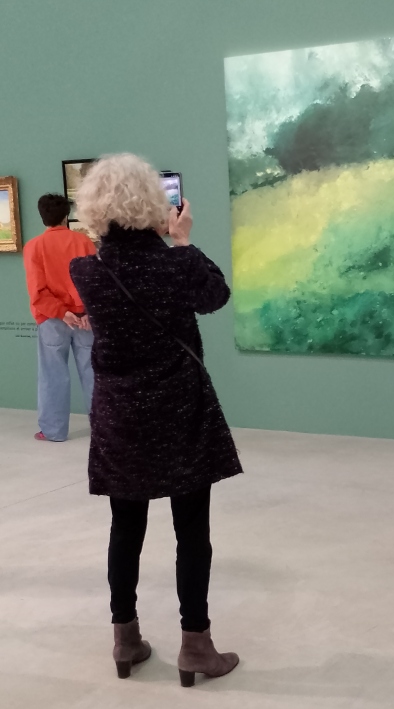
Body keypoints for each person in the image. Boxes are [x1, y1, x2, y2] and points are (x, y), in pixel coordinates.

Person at [69, 153, 243, 686]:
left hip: (120, 414)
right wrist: (183, 241)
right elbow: (215, 296)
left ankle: (126, 639)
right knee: (192, 530)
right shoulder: (175, 264)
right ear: (152, 203)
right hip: (180, 409)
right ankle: (196, 646)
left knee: (126, 528)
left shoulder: (87, 271)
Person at [23, 193, 96, 442]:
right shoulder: (83, 242)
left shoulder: (34, 247)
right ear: (67, 216)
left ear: (42, 216)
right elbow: (94, 282)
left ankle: (53, 431)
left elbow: (37, 291)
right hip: (85, 319)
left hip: (52, 320)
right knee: (94, 373)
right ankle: (103, 429)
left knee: (52, 374)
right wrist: (87, 311)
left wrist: (61, 312)